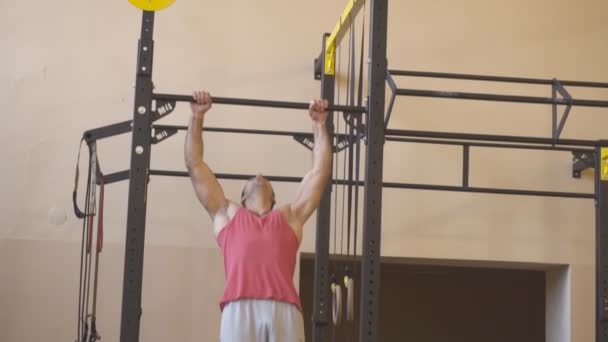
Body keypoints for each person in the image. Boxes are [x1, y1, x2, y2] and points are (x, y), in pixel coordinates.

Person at [184, 90, 332, 342]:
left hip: (284, 307)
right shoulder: (227, 213)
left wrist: (319, 125)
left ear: (274, 197)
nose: (259, 175)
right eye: (252, 180)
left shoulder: (290, 216)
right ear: (243, 198)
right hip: (239, 306)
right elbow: (194, 164)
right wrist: (196, 117)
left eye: (264, 179)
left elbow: (320, 172)